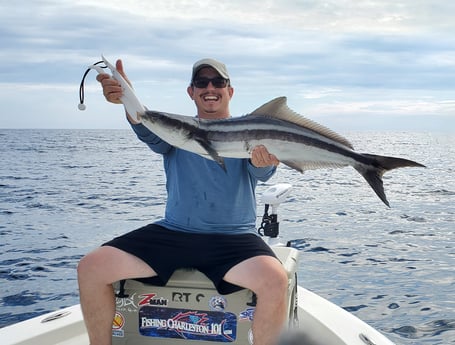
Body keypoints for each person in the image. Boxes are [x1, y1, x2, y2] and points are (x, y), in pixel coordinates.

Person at [77, 57, 288, 345]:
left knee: (275, 280)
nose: (210, 87)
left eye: (218, 82)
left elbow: (261, 172)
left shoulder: (248, 131)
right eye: (201, 82)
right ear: (191, 92)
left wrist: (266, 160)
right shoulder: (174, 132)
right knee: (91, 268)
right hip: (175, 232)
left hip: (233, 237)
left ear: (230, 91)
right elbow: (144, 123)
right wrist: (126, 96)